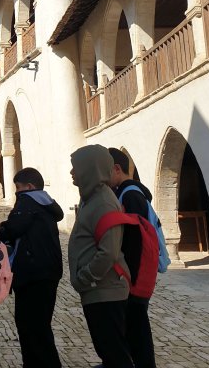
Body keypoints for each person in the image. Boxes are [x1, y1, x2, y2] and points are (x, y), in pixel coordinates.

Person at [68, 145, 133, 368]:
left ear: (90, 168)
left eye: (76, 167)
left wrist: (85, 277)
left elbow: (109, 252)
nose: (72, 172)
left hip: (105, 290)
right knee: (107, 351)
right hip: (97, 290)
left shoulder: (104, 202)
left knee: (115, 354)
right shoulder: (91, 198)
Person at [0, 167, 63, 368]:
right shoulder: (46, 204)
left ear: (30, 186)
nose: (17, 192)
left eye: (18, 187)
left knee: (29, 328)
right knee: (41, 326)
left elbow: (13, 228)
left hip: (31, 273)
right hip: (49, 272)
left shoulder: (27, 200)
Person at [109, 147, 157, 368]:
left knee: (137, 328)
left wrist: (131, 277)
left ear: (116, 169)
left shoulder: (130, 195)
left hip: (135, 274)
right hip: (134, 273)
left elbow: (137, 239)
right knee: (133, 326)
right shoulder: (127, 192)